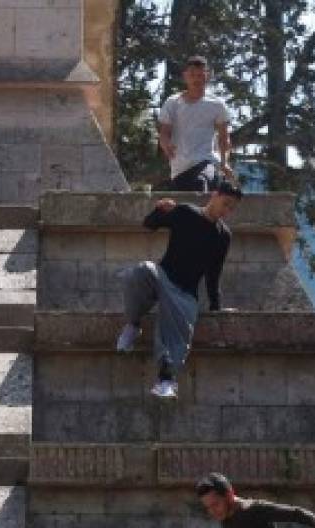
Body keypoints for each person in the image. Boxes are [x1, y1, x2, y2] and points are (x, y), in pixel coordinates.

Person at [116, 182, 242, 400]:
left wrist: (216, 308)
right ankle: (133, 325)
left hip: (185, 292)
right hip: (162, 276)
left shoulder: (223, 236)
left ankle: (166, 380)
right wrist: (159, 208)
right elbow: (149, 224)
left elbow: (214, 275)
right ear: (215, 195)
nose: (226, 211)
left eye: (231, 208)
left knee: (178, 329)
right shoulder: (185, 212)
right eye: (225, 204)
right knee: (139, 272)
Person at [158, 55, 233, 192]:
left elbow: (224, 138)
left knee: (201, 183)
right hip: (180, 168)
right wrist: (166, 145)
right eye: (192, 74)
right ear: (185, 76)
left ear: (207, 76)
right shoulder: (172, 103)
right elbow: (164, 133)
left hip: (206, 160)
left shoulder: (217, 105)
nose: (196, 79)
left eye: (200, 75)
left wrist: (224, 162)